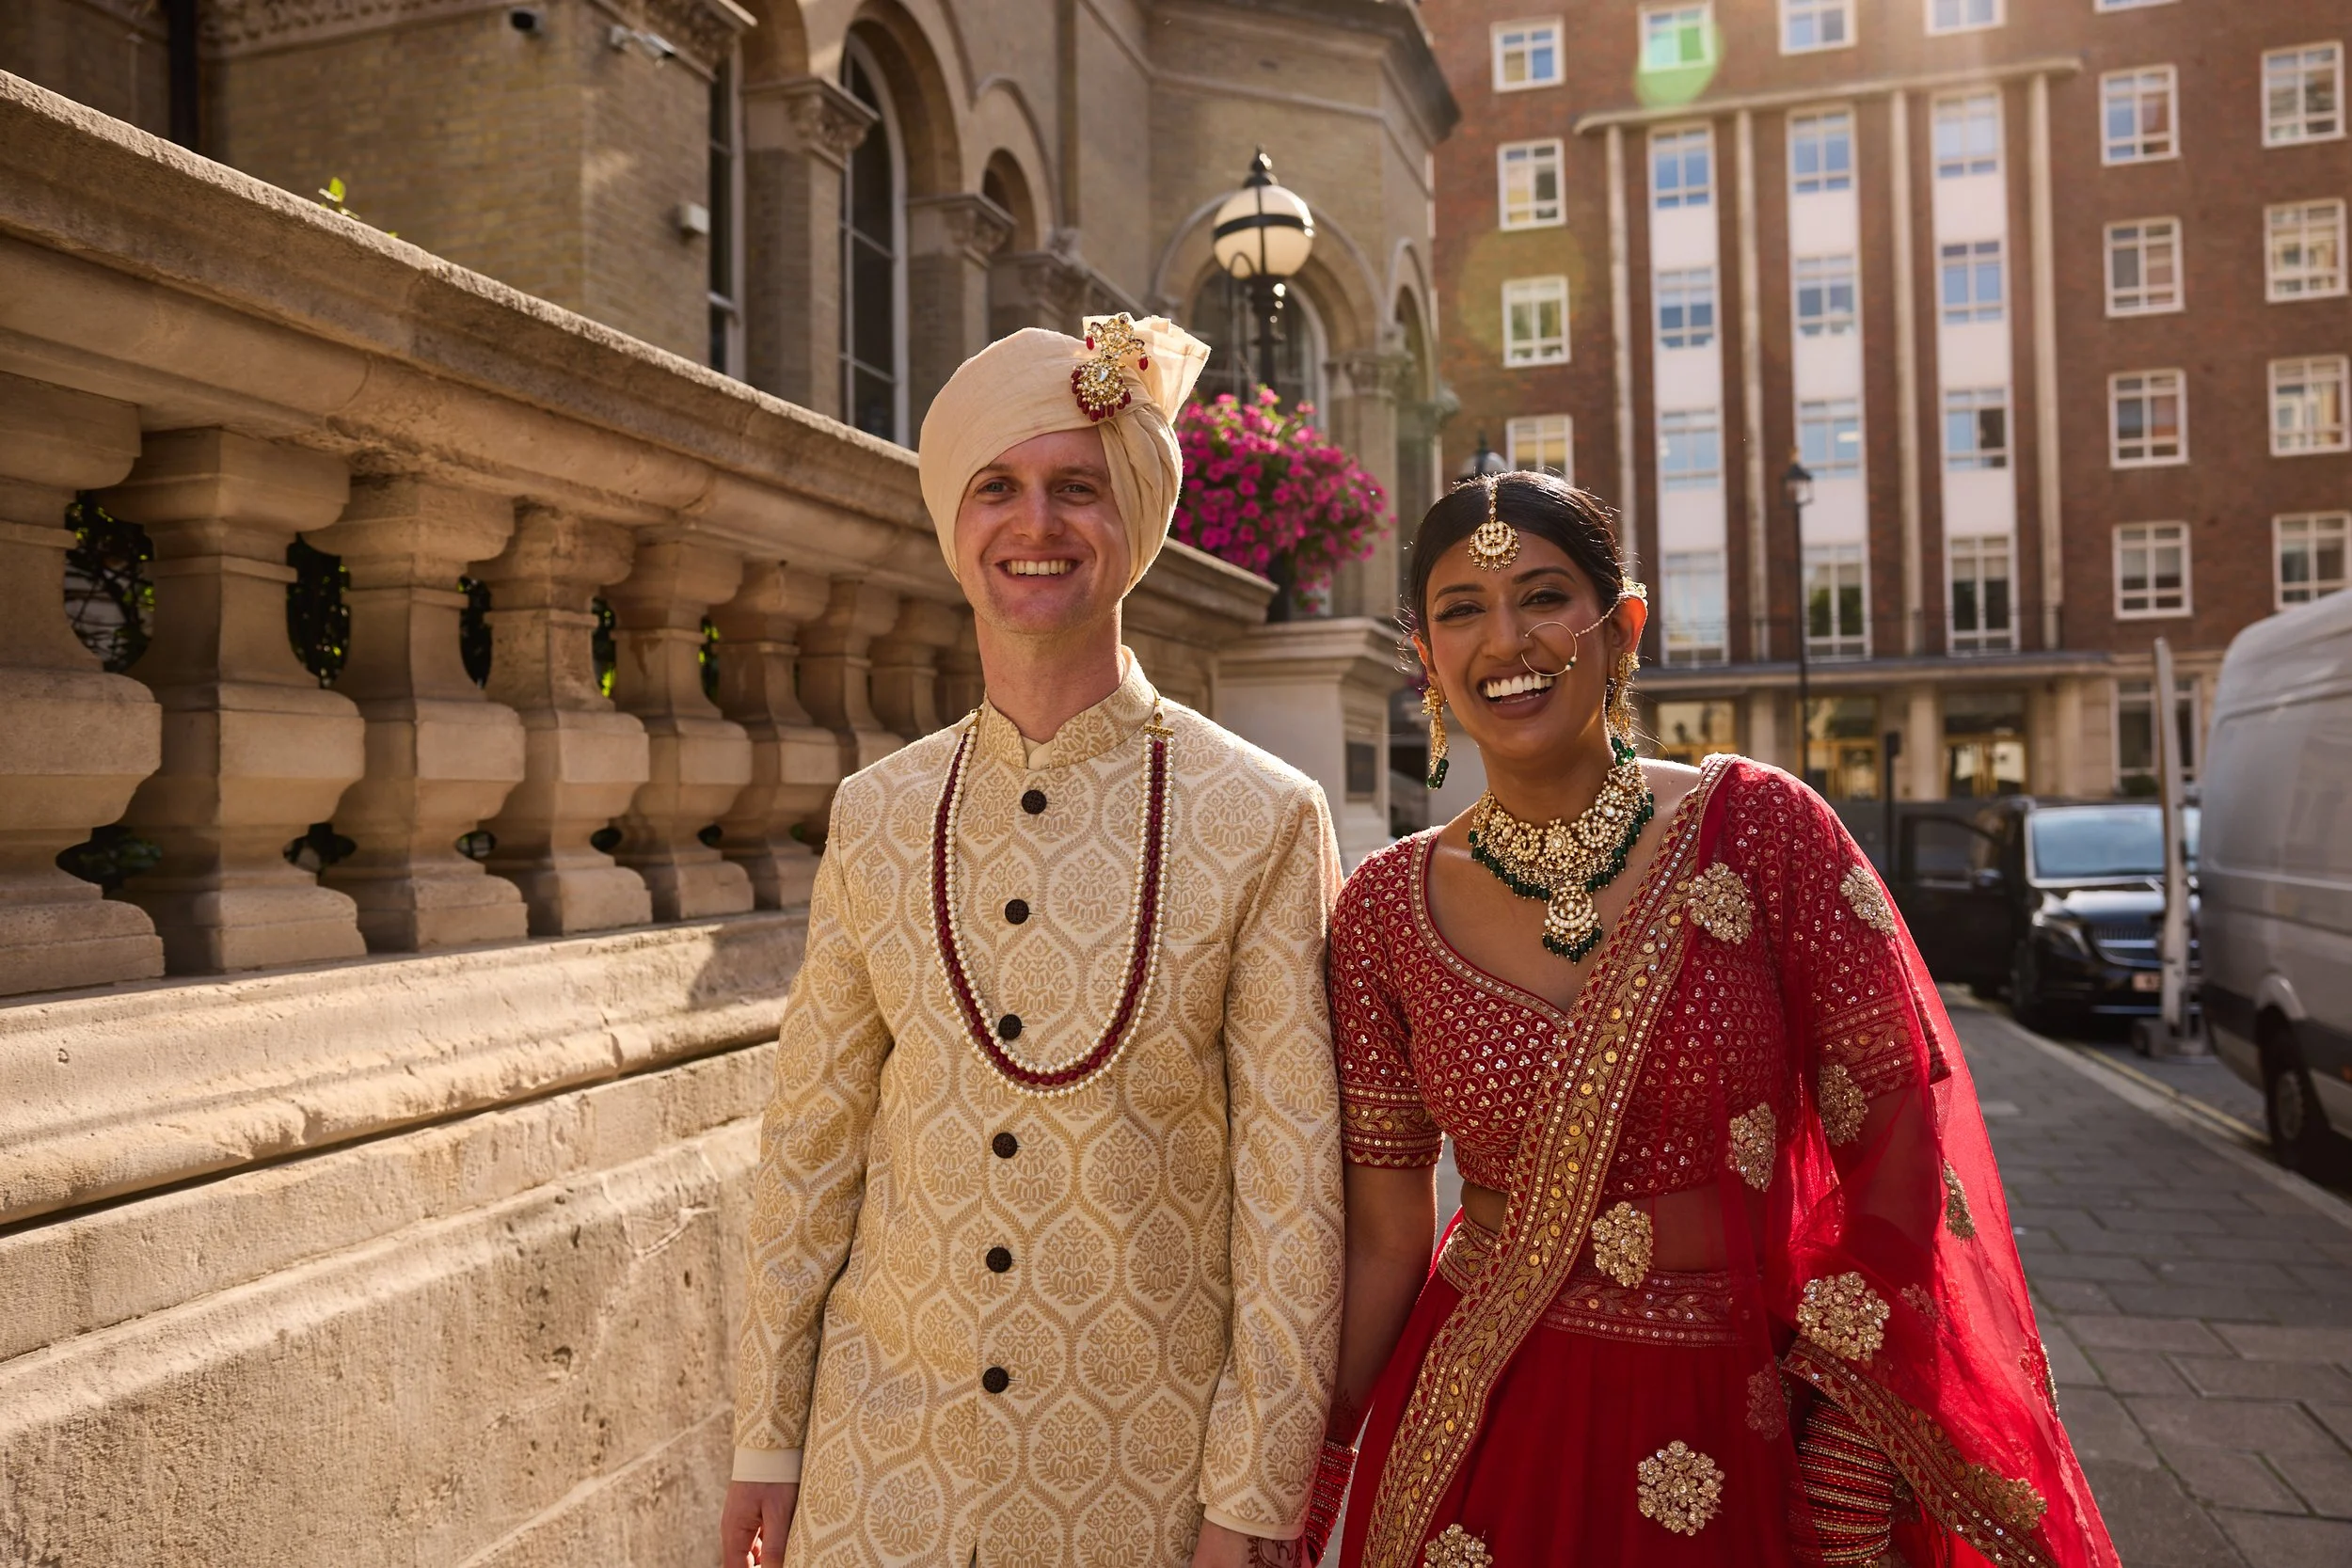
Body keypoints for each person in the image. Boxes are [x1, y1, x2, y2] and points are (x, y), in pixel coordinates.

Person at [1307, 473, 2120, 1568]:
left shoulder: (1763, 829)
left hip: (1739, 1407)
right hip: (1475, 1421)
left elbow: (1897, 1140)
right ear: (1425, 652)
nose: (1506, 639)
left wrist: (1849, 1421)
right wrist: (1309, 1453)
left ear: (1622, 624)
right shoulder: (1382, 909)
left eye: (1544, 595)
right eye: (1461, 608)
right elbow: (1386, 1232)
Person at [720, 315, 1345, 1568]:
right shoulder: (877, 812)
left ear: (1135, 520)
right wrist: (766, 1437)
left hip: (1145, 1485)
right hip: (882, 1472)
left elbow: (1293, 1195)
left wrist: (1254, 1494)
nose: (1037, 523)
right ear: (954, 523)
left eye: (1078, 486)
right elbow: (810, 1145)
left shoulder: (1263, 816)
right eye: (997, 486)